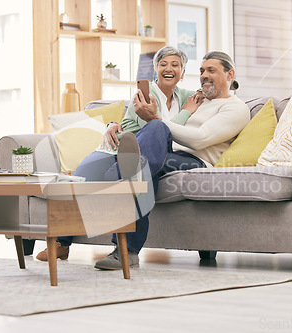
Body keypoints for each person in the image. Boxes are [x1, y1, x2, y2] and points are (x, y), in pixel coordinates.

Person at [35, 46, 202, 262]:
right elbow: (148, 128)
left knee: (145, 155)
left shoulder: (188, 96)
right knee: (78, 180)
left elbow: (210, 97)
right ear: (155, 70)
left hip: (150, 153)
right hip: (118, 147)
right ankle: (60, 242)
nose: (168, 69)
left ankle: (124, 234)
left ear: (182, 71)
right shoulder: (145, 95)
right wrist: (186, 112)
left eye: (175, 65)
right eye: (163, 64)